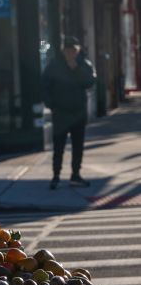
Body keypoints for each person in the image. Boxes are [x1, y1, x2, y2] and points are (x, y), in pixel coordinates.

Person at [42, 36, 97, 190]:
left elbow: (89, 82)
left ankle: (75, 175)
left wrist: (75, 68)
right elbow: (45, 85)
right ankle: (56, 176)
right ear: (63, 51)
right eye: (68, 50)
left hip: (78, 112)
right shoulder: (54, 65)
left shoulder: (83, 64)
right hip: (60, 112)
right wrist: (51, 104)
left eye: (74, 50)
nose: (71, 53)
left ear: (78, 50)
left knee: (77, 146)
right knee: (58, 146)